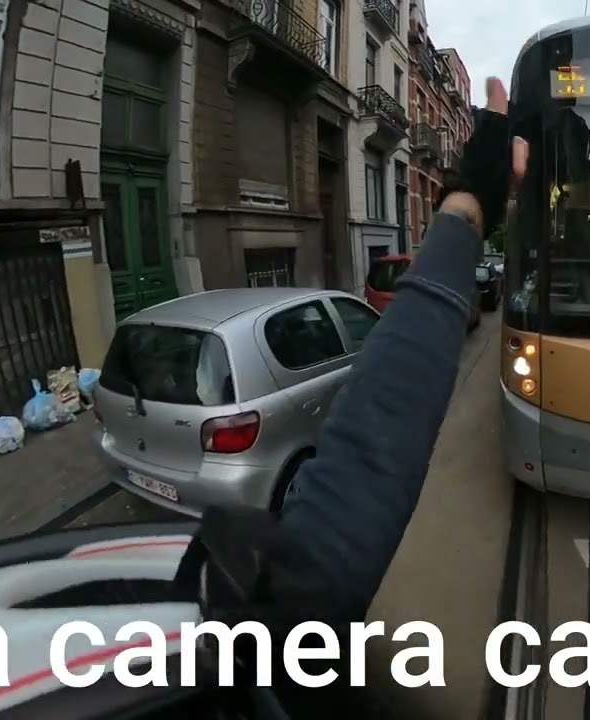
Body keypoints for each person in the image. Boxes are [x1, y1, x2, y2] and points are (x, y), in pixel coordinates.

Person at [181, 79, 529, 717]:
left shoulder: (260, 639)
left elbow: (358, 481)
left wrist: (464, 205)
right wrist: (469, 205)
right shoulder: (274, 643)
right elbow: (369, 456)